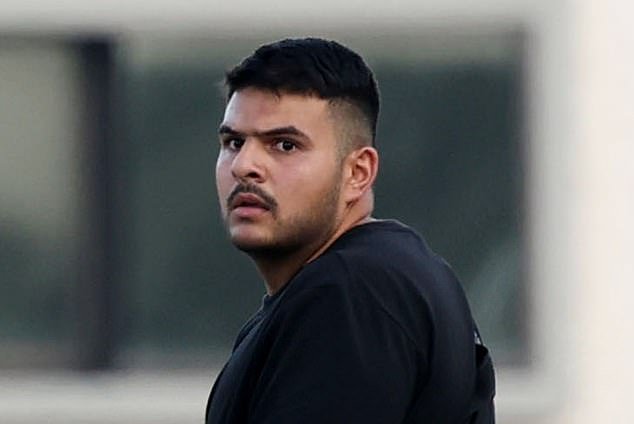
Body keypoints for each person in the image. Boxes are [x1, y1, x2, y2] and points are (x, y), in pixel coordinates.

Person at [206, 37, 495, 424]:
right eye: (234, 142)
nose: (244, 166)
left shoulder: (352, 292)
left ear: (358, 173)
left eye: (285, 145)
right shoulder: (392, 276)